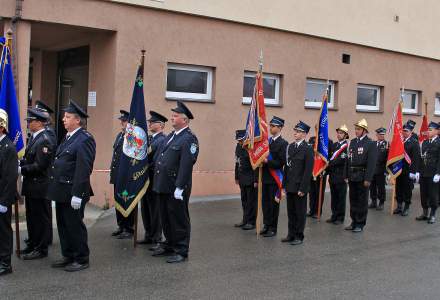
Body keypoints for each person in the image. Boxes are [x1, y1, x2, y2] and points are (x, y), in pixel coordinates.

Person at [47, 100, 96, 272]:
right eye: (64, 116)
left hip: (73, 192)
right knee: (63, 225)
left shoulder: (84, 139)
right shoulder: (68, 137)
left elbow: (83, 169)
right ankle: (68, 255)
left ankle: (81, 258)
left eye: (67, 117)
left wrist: (78, 193)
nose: (63, 119)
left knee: (74, 225)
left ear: (78, 120)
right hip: (61, 190)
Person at [152, 101, 199, 263]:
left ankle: (181, 249)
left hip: (176, 186)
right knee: (165, 217)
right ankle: (170, 244)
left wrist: (180, 186)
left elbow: (186, 164)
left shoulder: (189, 139)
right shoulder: (172, 136)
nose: (172, 118)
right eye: (172, 115)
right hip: (163, 184)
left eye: (175, 115)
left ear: (184, 120)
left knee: (178, 218)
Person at [20, 108, 54, 260]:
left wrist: (21, 169)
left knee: (40, 218)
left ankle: (41, 248)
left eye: (31, 121)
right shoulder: (35, 138)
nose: (28, 123)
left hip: (40, 185)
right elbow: (29, 159)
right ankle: (33, 243)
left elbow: (40, 165)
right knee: (32, 217)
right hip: (31, 186)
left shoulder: (44, 140)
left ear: (39, 123)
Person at [138, 111, 168, 246]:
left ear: (161, 125)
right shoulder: (150, 139)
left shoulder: (162, 140)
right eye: (149, 122)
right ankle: (148, 234)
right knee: (145, 208)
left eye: (152, 122)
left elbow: (156, 160)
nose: (149, 124)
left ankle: (156, 237)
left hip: (154, 179)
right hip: (145, 179)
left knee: (155, 209)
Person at [283, 121, 314, 245]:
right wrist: (284, 184)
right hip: (290, 185)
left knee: (300, 213)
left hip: (300, 186)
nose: (295, 133)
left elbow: (308, 171)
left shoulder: (307, 149)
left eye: (299, 131)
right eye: (295, 130)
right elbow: (286, 167)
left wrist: (303, 188)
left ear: (305, 134)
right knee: (291, 212)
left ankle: (299, 236)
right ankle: (291, 234)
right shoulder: (290, 147)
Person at [346, 119, 377, 232]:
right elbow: (348, 160)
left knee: (362, 200)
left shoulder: (371, 143)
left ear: (364, 131)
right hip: (352, 175)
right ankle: (353, 221)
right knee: (353, 199)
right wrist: (346, 174)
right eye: (355, 129)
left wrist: (368, 178)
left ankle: (360, 223)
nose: (356, 131)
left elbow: (372, 163)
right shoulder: (353, 142)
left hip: (362, 175)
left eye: (358, 129)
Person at [259, 116, 288, 237]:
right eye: (270, 126)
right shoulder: (267, 142)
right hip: (265, 177)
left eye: (273, 126)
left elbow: (280, 162)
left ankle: (272, 228)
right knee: (265, 203)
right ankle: (266, 225)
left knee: (273, 204)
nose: (271, 128)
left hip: (275, 178)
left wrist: (266, 161)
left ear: (280, 127)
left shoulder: (283, 143)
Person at [109, 110, 135, 239]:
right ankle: (121, 226)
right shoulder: (120, 135)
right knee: (118, 200)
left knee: (126, 201)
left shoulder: (131, 137)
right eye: (122, 121)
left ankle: (129, 228)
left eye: (124, 121)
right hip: (117, 176)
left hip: (126, 177)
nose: (122, 123)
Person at [0, 109, 18, 276]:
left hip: (2, 197)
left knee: (4, 231)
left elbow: (10, 178)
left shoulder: (8, 147)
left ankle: (5, 263)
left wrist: (4, 202)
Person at [394, 121, 420, 216]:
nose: (404, 132)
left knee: (407, 189)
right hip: (399, 169)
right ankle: (399, 206)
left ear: (410, 132)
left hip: (408, 170)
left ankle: (406, 206)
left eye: (406, 131)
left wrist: (414, 171)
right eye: (403, 131)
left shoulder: (414, 142)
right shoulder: (400, 141)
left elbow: (416, 159)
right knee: (398, 188)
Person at [417, 122, 440, 224]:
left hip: (433, 174)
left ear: (437, 131)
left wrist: (438, 173)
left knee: (433, 195)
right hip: (424, 173)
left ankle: (433, 214)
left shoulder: (439, 142)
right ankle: (425, 213)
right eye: (428, 130)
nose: (428, 131)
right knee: (423, 194)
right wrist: (418, 171)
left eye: (431, 130)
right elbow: (421, 158)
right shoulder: (425, 142)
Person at [326, 125, 349, 225]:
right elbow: (329, 157)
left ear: (345, 135)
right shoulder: (334, 145)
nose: (339, 135)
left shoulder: (346, 147)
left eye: (341, 133)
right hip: (332, 175)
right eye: (338, 133)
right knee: (334, 197)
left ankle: (340, 217)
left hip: (341, 176)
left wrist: (328, 163)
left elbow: (340, 160)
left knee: (341, 198)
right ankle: (334, 215)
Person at [234, 129, 256, 230]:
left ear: (245, 138)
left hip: (251, 178)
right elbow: (237, 162)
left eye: (241, 140)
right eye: (238, 140)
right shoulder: (238, 146)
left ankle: (251, 222)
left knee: (251, 201)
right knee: (244, 200)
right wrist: (236, 177)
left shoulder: (251, 147)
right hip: (242, 177)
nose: (239, 142)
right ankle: (245, 220)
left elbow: (255, 165)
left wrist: (256, 180)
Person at [307, 134, 332, 218]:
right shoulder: (312, 139)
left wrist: (325, 170)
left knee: (319, 192)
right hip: (312, 169)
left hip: (321, 171)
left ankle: (318, 211)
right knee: (312, 192)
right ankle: (312, 210)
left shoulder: (327, 140)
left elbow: (328, 157)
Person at [368, 127, 389, 211]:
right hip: (372, 169)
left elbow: (388, 158)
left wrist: (387, 171)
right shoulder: (373, 144)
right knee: (372, 186)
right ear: (376, 135)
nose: (381, 136)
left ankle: (381, 202)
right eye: (380, 134)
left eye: (383, 135)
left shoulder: (387, 144)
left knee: (381, 187)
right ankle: (373, 201)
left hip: (381, 169)